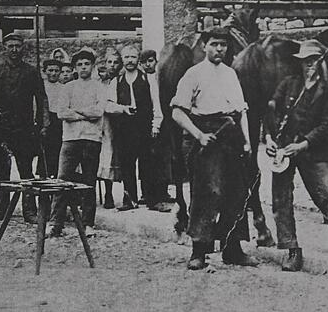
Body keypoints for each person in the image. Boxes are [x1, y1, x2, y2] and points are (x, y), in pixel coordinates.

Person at [265, 41, 328, 272]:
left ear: (320, 63)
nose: (309, 65)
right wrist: (269, 138)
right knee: (282, 198)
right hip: (284, 150)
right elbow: (271, 110)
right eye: (305, 61)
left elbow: (327, 125)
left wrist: (303, 145)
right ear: (299, 63)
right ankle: (292, 250)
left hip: (312, 150)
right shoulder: (288, 85)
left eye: (314, 61)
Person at [171, 26, 257, 270]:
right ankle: (199, 250)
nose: (219, 49)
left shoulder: (231, 74)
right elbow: (177, 112)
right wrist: (198, 135)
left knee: (236, 192)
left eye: (223, 45)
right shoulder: (193, 74)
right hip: (206, 134)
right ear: (204, 46)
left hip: (231, 134)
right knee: (208, 192)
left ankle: (233, 249)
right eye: (214, 44)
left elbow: (241, 111)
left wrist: (248, 141)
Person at [0, 33, 50, 223]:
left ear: (23, 48)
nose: (14, 50)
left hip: (24, 127)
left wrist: (44, 123)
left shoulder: (31, 71)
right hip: (1, 126)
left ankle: (29, 211)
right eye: (10, 46)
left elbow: (42, 98)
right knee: (1, 170)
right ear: (5, 47)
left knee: (26, 170)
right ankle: (1, 209)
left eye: (18, 46)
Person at [48, 49, 106, 238]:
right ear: (74, 67)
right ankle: (56, 223)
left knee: (89, 182)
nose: (83, 67)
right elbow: (61, 112)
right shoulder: (68, 87)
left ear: (92, 66)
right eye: (79, 64)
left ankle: (88, 223)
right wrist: (83, 114)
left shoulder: (99, 87)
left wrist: (76, 112)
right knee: (62, 180)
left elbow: (98, 112)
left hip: (91, 139)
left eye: (86, 64)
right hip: (70, 139)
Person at [106, 45, 164, 211]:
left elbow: (156, 105)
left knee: (148, 164)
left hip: (144, 128)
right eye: (126, 57)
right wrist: (122, 108)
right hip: (124, 130)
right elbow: (108, 105)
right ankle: (130, 199)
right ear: (122, 60)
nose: (129, 60)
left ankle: (152, 199)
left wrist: (156, 125)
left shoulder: (148, 80)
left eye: (133, 57)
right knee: (127, 165)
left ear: (138, 58)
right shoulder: (116, 81)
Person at [138, 49, 172, 211]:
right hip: (147, 125)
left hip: (162, 123)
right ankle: (150, 196)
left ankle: (163, 192)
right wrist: (153, 125)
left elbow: (161, 102)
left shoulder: (161, 78)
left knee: (162, 159)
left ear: (156, 62)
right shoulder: (141, 80)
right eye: (144, 62)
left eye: (151, 61)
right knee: (148, 161)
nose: (148, 64)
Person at [97, 49, 123, 209]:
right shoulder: (100, 83)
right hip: (103, 122)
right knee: (105, 154)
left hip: (120, 122)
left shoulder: (122, 81)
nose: (112, 66)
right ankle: (107, 193)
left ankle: (126, 194)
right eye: (109, 62)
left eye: (115, 62)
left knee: (117, 157)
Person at [38, 59, 64, 179]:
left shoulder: (64, 88)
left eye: (56, 71)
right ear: (44, 72)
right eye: (50, 70)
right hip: (44, 121)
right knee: (44, 156)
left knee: (58, 153)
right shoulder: (40, 87)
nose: (53, 73)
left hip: (59, 122)